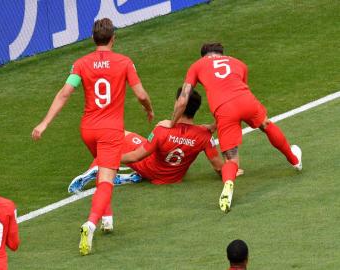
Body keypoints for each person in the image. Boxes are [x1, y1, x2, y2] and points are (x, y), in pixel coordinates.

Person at [31, 18, 154, 255]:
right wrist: (148, 108)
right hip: (110, 131)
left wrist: (44, 123)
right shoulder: (124, 62)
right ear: (113, 38)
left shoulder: (80, 64)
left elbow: (65, 93)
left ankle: (107, 218)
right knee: (107, 178)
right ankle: (91, 223)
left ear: (92, 39)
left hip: (88, 129)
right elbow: (140, 94)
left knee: (102, 170)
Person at [69, 88, 242, 231]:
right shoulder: (203, 136)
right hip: (173, 177)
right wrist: (233, 169)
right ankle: (129, 176)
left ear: (180, 105)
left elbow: (137, 156)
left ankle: (99, 167)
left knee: (119, 135)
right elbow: (219, 167)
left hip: (149, 167)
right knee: (139, 142)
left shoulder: (162, 130)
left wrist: (112, 158)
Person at [161, 43, 302, 213]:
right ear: (222, 54)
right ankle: (294, 161)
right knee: (266, 124)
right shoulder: (239, 63)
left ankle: (228, 185)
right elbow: (237, 92)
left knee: (231, 159)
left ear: (203, 56)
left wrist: (172, 122)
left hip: (225, 110)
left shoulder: (197, 66)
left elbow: (183, 100)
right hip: (246, 101)